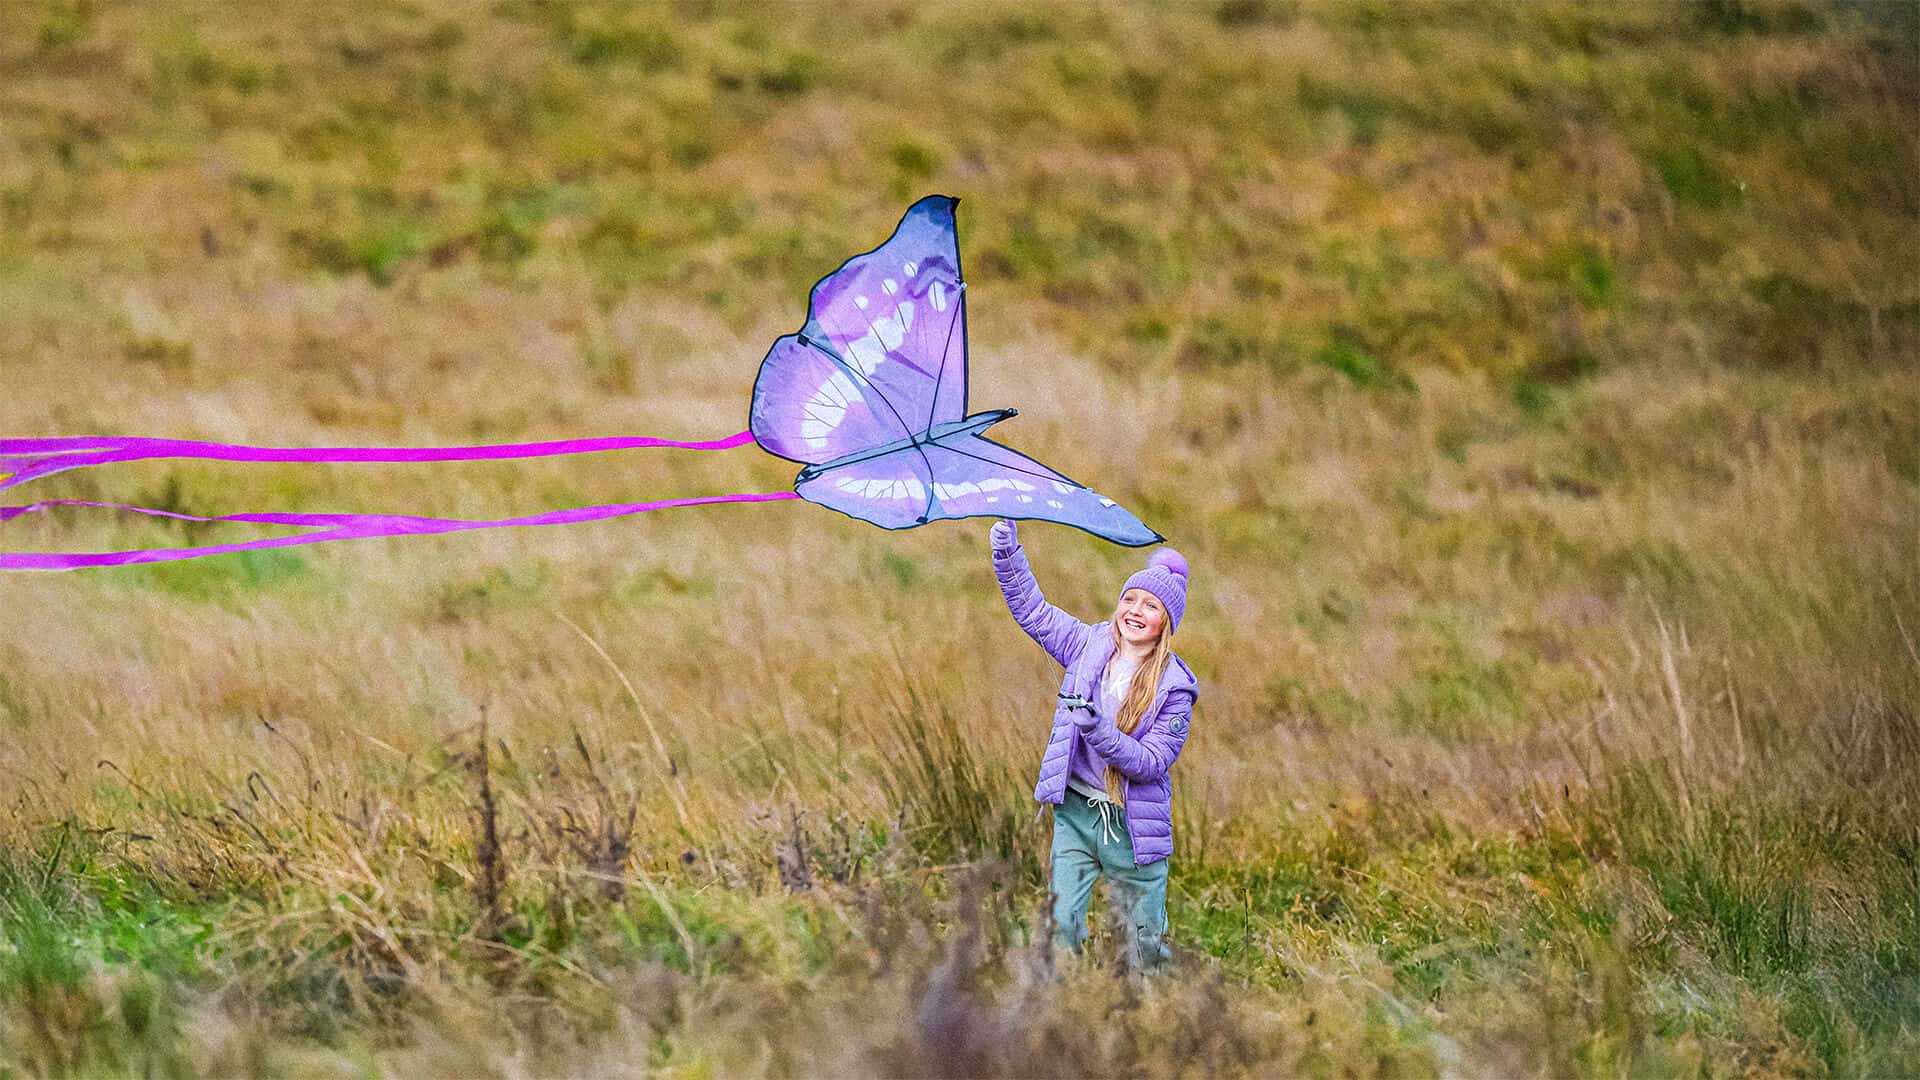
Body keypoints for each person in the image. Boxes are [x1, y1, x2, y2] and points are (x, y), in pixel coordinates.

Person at [989, 518, 1198, 969]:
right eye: (1130, 598)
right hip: (1077, 815)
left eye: (1151, 605)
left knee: (1145, 945)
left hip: (1132, 827)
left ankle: (1150, 1020)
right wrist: (1007, 551)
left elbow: (1151, 761)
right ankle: (1059, 1014)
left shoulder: (1176, 689)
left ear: (1167, 623)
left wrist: (1097, 727)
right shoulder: (1088, 643)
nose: (1136, 610)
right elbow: (1033, 611)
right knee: (1061, 923)